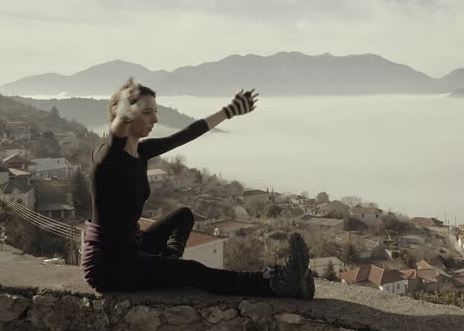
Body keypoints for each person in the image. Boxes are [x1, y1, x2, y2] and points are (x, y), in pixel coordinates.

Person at [81, 78, 314, 299]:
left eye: (155, 111)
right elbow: (116, 135)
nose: (155, 119)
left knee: (183, 215)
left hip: (132, 245)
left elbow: (185, 135)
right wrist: (122, 116)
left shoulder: (140, 152)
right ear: (126, 117)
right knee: (194, 271)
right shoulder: (107, 158)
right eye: (147, 112)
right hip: (109, 266)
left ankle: (169, 265)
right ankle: (274, 283)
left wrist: (229, 111)